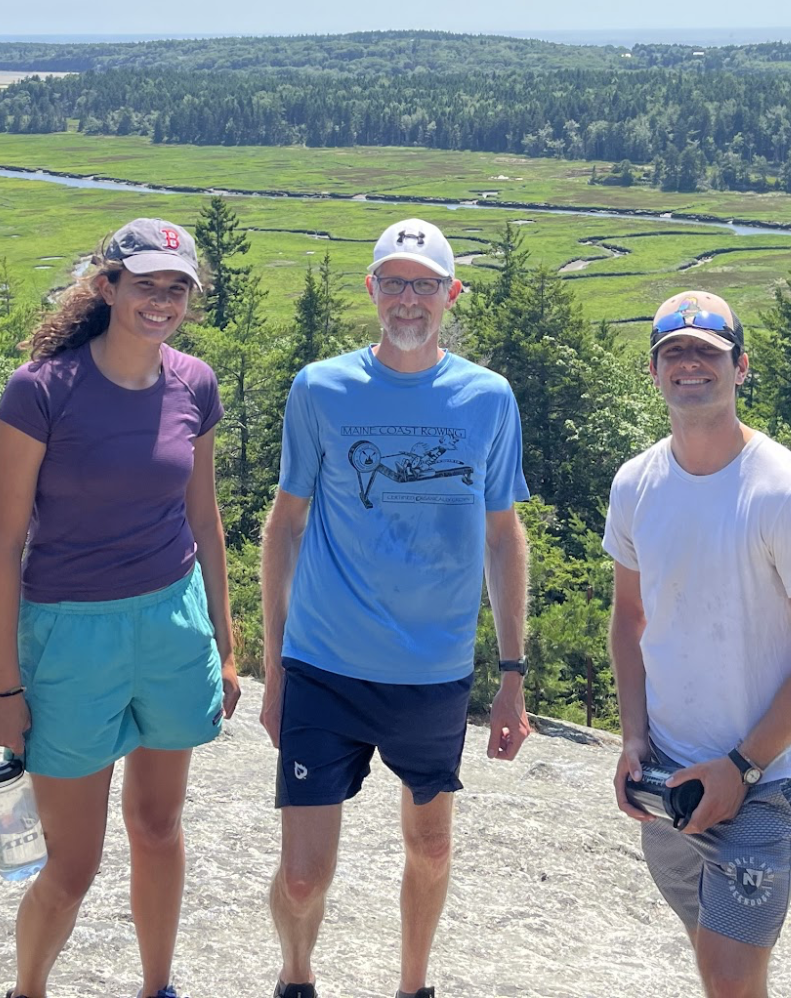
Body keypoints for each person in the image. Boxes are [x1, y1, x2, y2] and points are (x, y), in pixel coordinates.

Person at [260, 217, 531, 998]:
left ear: (451, 294)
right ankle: (296, 973)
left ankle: (414, 987)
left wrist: (511, 676)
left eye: (424, 284)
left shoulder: (488, 398)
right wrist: (275, 668)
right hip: (325, 666)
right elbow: (285, 525)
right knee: (305, 878)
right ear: (371, 289)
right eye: (393, 282)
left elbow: (504, 537)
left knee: (432, 850)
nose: (407, 300)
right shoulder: (320, 389)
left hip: (433, 672)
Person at [0, 218, 241, 998]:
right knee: (72, 865)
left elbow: (206, 522)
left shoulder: (194, 382)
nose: (161, 301)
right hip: (72, 637)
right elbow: (3, 546)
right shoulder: (40, 390)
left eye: (177, 288)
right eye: (145, 284)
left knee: (159, 829)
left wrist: (225, 648)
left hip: (171, 624)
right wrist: (5, 688)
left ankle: (156, 986)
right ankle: (27, 989)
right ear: (107, 288)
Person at [604, 290, 791, 997]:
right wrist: (632, 738)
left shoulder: (787, 495)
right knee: (712, 958)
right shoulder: (637, 484)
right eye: (673, 352)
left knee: (730, 979)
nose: (690, 365)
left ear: (740, 368)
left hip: (761, 782)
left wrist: (741, 766)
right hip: (670, 771)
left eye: (707, 353)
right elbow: (630, 618)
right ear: (653, 372)